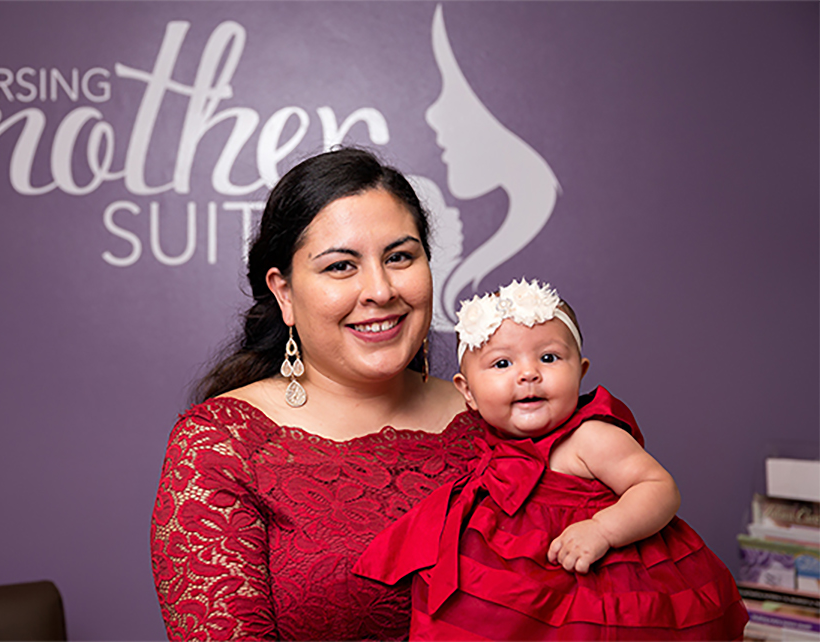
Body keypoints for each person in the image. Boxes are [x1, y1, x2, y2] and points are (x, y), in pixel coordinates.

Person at [150, 148, 480, 640]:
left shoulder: (498, 415)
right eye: (341, 267)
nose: (380, 289)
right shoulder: (223, 444)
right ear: (284, 293)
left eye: (399, 257)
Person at [355, 278, 748, 640]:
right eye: (502, 363)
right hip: (522, 594)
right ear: (468, 392)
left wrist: (603, 530)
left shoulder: (589, 437)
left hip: (602, 593)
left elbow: (659, 488)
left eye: (549, 358)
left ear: (581, 371)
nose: (528, 374)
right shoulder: (480, 444)